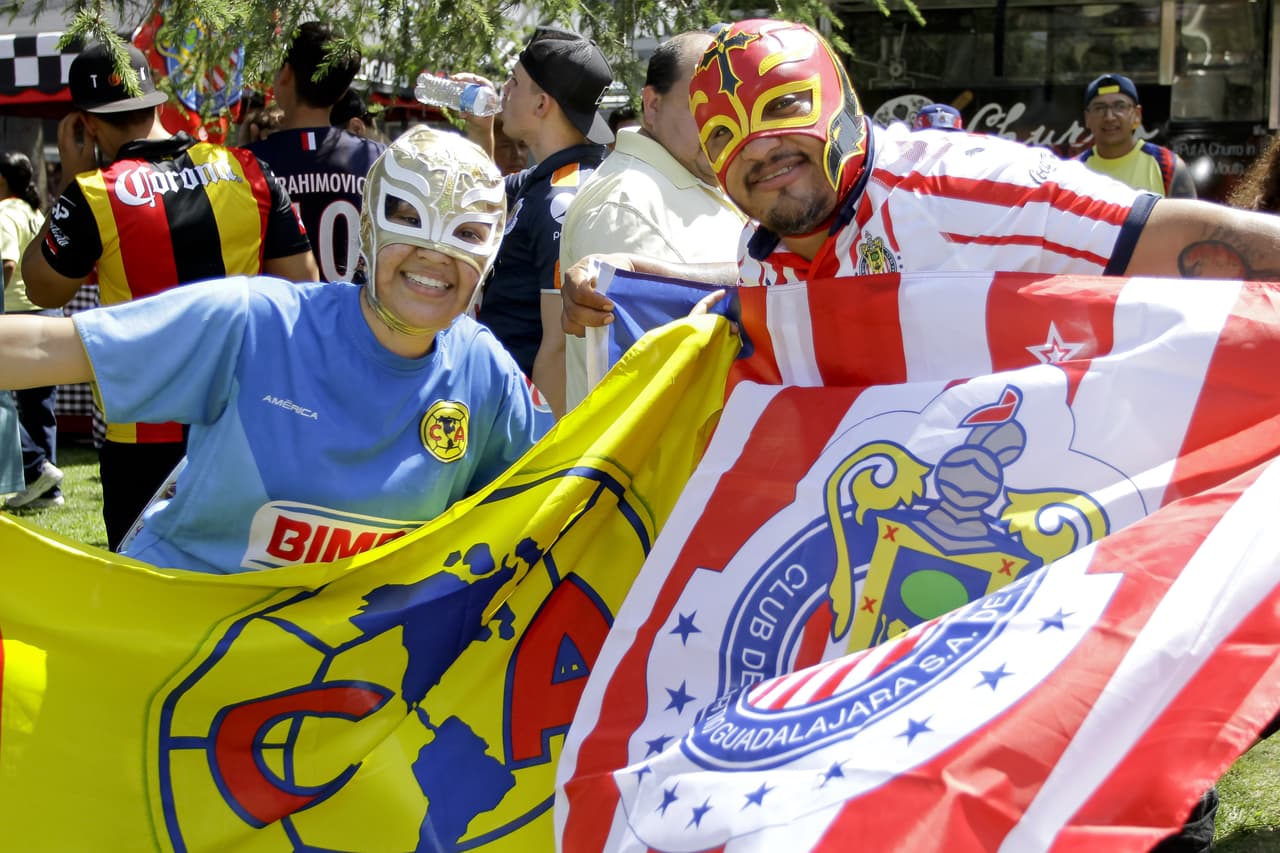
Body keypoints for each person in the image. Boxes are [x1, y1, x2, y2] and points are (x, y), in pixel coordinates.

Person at [560, 19, 1280, 850]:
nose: (758, 147)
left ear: (835, 98)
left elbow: (1168, 238)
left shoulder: (967, 186)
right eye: (725, 134)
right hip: (929, 611)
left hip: (1080, 550)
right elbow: (770, 320)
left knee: (1119, 793)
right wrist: (632, 290)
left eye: (781, 109)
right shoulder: (769, 261)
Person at [0, 126, 536, 573]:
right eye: (411, 220)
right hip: (178, 632)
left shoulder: (481, 370)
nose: (435, 254)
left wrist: (604, 307)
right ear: (369, 228)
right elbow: (50, 347)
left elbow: (561, 492)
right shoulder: (262, 323)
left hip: (335, 668)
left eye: (465, 233)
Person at [20, 40, 318, 551]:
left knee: (144, 596)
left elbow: (42, 287)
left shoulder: (96, 193)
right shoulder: (248, 170)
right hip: (245, 428)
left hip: (142, 441)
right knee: (237, 586)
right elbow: (304, 287)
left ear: (87, 124)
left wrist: (71, 175)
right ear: (158, 104)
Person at [536, 30, 745, 417]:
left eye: (733, 106)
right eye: (700, 103)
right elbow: (647, 390)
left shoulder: (707, 176)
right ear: (652, 105)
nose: (721, 121)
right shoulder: (626, 205)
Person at [465, 26, 614, 379]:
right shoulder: (548, 180)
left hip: (528, 418)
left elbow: (559, 349)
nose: (503, 91)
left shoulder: (561, 199)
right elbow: (479, 198)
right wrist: (480, 131)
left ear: (542, 103)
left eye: (514, 82)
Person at [249, 22, 387, 283]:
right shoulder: (378, 160)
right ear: (343, 92)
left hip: (283, 318)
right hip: (356, 316)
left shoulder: (247, 164)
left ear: (286, 74)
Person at [0, 150, 62, 509]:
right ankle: (47, 489)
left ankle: (36, 468)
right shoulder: (33, 212)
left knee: (7, 404)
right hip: (47, 313)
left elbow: (6, 262)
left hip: (19, 316)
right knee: (39, 407)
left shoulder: (5, 212)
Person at [1078, 73, 1197, 199]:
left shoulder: (1167, 166)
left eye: (1120, 106)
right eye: (1099, 108)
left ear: (1137, 115)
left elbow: (1190, 218)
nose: (1109, 117)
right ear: (1087, 118)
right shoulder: (1073, 172)